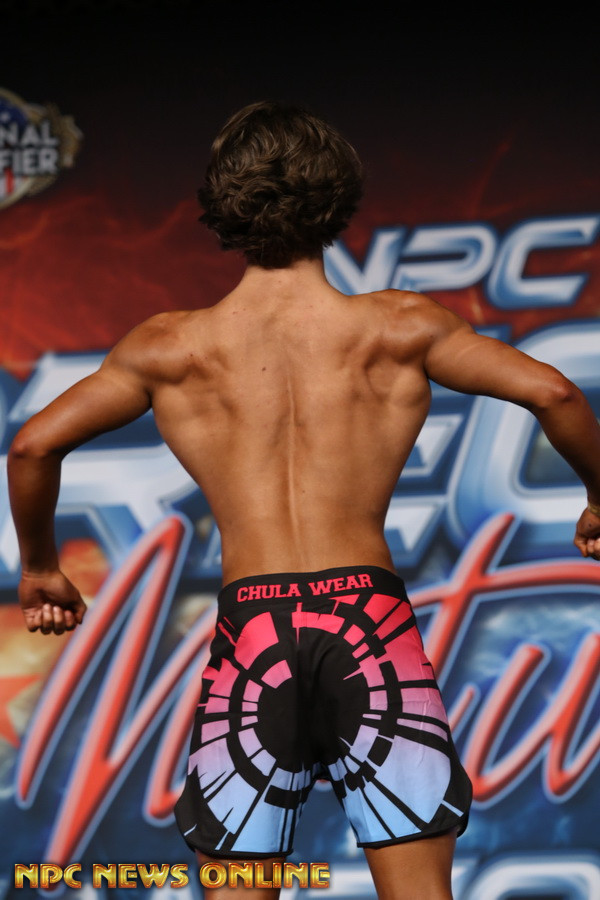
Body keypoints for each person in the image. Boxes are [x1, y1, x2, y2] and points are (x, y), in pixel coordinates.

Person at [7, 101, 600, 900]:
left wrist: (40, 568)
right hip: (370, 628)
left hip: (253, 636)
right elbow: (556, 393)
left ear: (224, 206)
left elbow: (32, 446)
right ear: (336, 199)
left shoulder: (170, 347)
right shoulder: (399, 326)